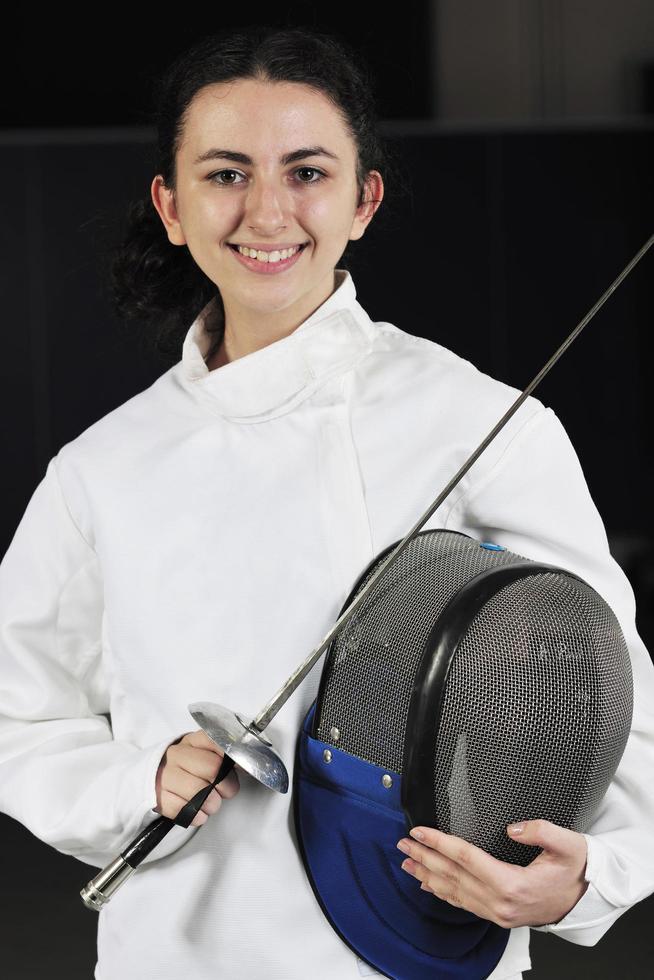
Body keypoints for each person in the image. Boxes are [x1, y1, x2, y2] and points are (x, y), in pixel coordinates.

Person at [1, 23, 653, 980]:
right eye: (226, 174)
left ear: (363, 201)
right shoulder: (101, 467)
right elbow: (20, 710)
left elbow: (611, 683)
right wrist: (132, 783)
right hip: (175, 953)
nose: (268, 211)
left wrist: (591, 874)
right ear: (171, 205)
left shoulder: (480, 420)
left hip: (417, 948)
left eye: (307, 172)